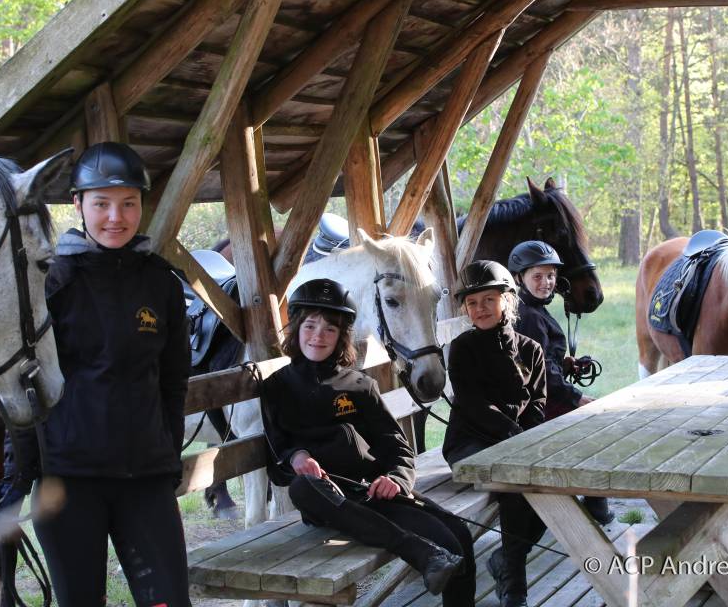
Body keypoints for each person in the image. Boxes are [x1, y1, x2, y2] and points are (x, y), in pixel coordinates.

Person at [0, 142, 192, 606]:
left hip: (146, 481)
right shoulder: (50, 284)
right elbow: (22, 385)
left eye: (128, 203)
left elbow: (173, 380)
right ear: (77, 205)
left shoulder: (161, 283)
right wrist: (15, 480)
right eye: (101, 203)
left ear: (142, 205)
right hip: (69, 483)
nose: (115, 217)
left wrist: (166, 450)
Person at [261, 278, 475, 605]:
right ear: (296, 329)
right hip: (326, 499)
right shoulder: (277, 387)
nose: (318, 335)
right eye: (310, 326)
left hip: (374, 493)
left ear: (342, 335)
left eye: (330, 329)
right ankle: (418, 552)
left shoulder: (360, 385)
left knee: (456, 536)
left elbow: (397, 446)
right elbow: (277, 453)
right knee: (302, 487)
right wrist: (296, 456)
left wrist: (395, 479)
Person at [441, 260, 547, 607]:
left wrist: (525, 436)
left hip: (517, 441)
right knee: (513, 483)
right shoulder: (463, 348)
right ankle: (515, 585)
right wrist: (514, 435)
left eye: (489, 299)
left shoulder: (531, 349)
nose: (480, 308)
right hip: (470, 442)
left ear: (508, 301)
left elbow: (538, 404)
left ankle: (505, 559)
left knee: (555, 487)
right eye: (472, 303)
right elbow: (472, 404)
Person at [507, 240, 614, 526]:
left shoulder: (534, 309)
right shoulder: (528, 316)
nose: (546, 283)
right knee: (592, 423)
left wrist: (566, 364)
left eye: (551, 276)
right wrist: (576, 397)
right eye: (538, 276)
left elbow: (542, 359)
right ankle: (595, 506)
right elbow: (541, 374)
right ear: (519, 278)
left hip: (543, 394)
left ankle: (594, 504)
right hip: (534, 405)